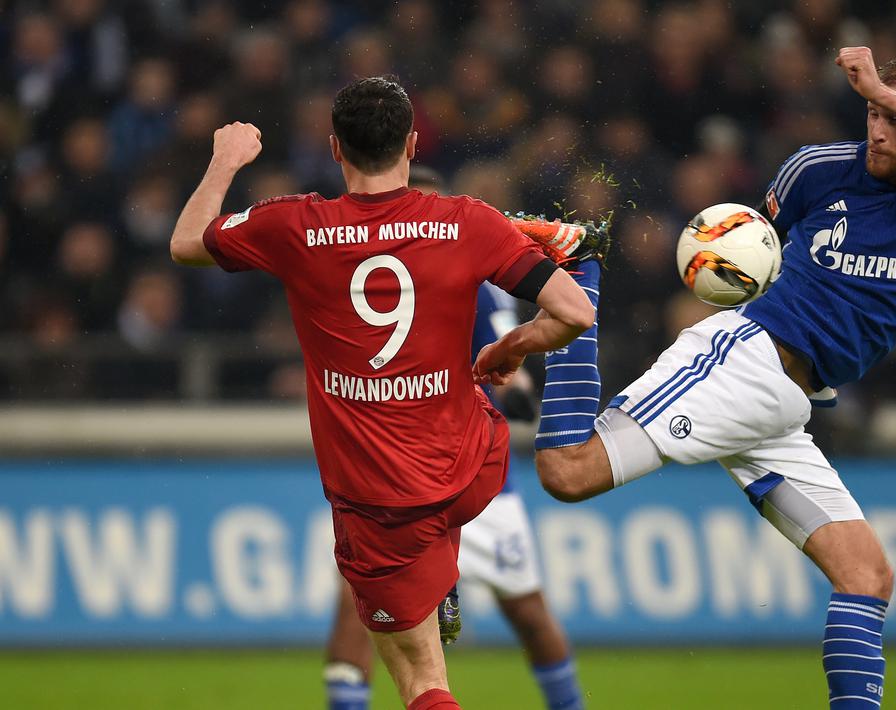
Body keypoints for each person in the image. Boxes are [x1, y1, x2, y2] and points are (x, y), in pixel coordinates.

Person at [476, 47, 896, 709]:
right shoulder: (818, 170)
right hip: (745, 360)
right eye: (870, 111)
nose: (878, 129)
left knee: (866, 574)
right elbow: (745, 252)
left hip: (787, 409)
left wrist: (890, 96)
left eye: (895, 116)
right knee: (567, 471)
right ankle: (582, 266)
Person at [169, 76, 597, 710]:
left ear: (335, 148)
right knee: (465, 601)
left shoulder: (294, 225)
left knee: (421, 678)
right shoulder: (467, 220)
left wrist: (225, 159)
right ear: (412, 142)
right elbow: (574, 314)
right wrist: (507, 351)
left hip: (380, 497)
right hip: (474, 461)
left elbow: (185, 243)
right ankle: (440, 583)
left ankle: (431, 591)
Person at [322, 167, 586, 710]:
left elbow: (518, 389)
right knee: (364, 616)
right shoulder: (466, 271)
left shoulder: (360, 273)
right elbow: (521, 387)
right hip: (440, 466)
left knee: (522, 615)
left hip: (404, 470)